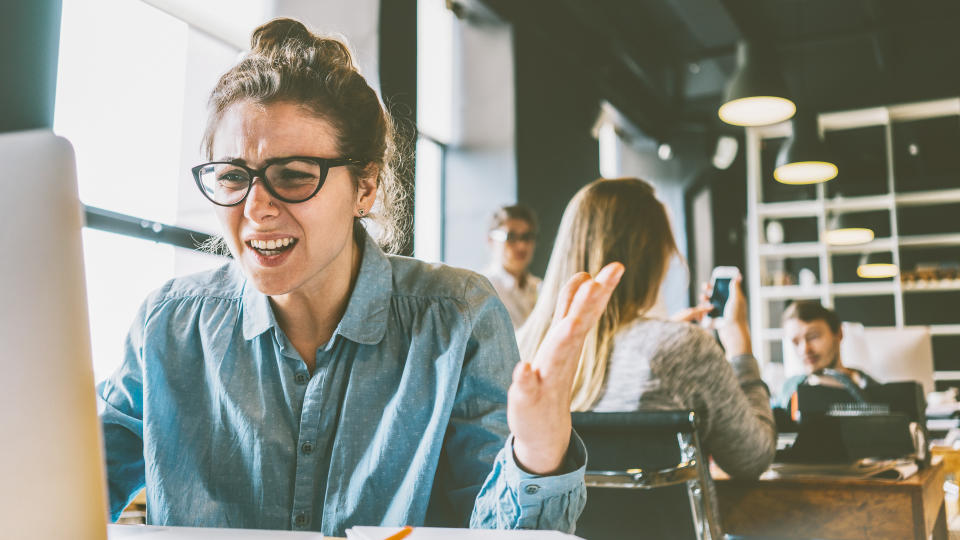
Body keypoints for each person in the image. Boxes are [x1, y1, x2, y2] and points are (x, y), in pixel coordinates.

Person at [96, 18, 624, 536]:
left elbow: (499, 536)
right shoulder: (169, 324)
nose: (256, 208)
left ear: (365, 188)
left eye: (295, 176)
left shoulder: (456, 318)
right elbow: (65, 486)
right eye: (233, 176)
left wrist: (536, 454)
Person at [518, 177, 776, 480]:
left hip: (555, 529)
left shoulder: (521, 351)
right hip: (667, 529)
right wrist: (740, 348)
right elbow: (752, 458)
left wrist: (665, 336)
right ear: (654, 258)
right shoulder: (682, 348)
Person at [776, 300, 880, 409]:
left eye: (813, 336)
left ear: (839, 333)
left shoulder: (873, 389)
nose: (805, 350)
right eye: (796, 342)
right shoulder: (787, 391)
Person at [483, 205, 542, 329]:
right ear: (491, 240)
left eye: (526, 237)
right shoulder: (483, 289)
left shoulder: (541, 288)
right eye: (511, 237)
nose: (521, 246)